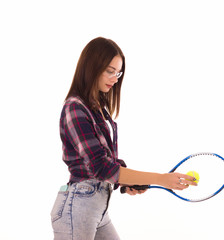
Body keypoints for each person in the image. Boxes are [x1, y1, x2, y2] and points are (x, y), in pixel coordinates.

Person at [50, 37, 196, 240]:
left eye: (118, 72)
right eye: (110, 70)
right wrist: (161, 179)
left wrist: (127, 183)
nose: (115, 78)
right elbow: (100, 167)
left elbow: (105, 163)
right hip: (78, 207)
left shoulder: (97, 107)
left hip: (97, 208)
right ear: (92, 66)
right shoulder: (75, 108)